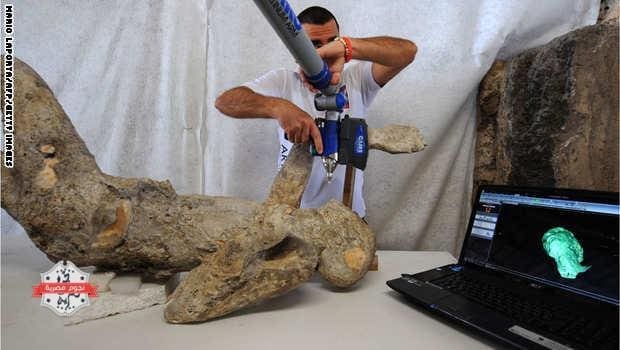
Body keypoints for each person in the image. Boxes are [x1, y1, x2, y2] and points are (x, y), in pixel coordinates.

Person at [215, 6, 416, 218]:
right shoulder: (283, 82)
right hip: (296, 220)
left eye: (332, 41)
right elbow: (226, 102)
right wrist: (278, 107)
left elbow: (407, 52)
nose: (325, 52)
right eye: (314, 45)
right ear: (296, 50)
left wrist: (348, 47)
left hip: (349, 220)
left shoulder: (357, 79)